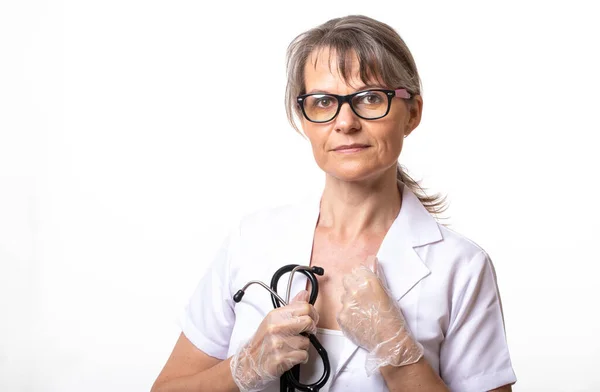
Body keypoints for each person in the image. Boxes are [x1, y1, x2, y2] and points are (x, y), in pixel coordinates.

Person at [150, 14, 517, 392]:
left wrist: (399, 358)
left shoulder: (462, 268)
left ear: (413, 113)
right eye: (324, 101)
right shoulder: (252, 239)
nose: (345, 122)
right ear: (304, 119)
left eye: (371, 98)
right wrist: (242, 368)